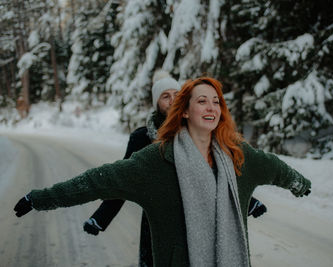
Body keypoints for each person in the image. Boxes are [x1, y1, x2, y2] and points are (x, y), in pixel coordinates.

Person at [14, 76, 311, 267]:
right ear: (184, 111)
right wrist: (39, 198)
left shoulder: (237, 154)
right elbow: (98, 181)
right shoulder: (154, 161)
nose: (211, 107)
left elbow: (274, 167)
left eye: (216, 101)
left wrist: (300, 183)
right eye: (202, 100)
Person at [82, 71, 267, 267]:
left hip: (195, 218)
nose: (171, 101)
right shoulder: (142, 138)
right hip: (157, 222)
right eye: (165, 96)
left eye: (176, 95)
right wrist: (100, 218)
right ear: (156, 103)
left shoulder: (195, 133)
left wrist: (248, 202)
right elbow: (123, 179)